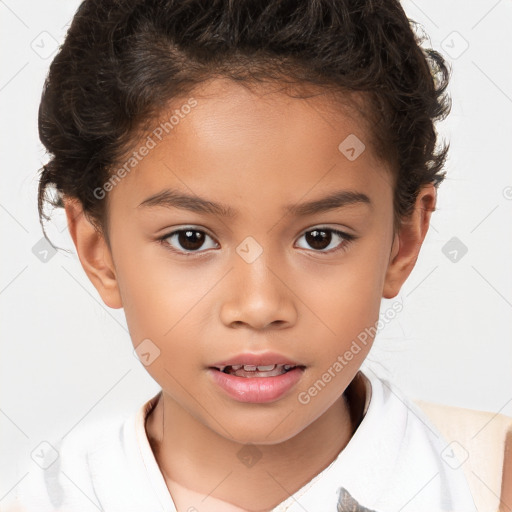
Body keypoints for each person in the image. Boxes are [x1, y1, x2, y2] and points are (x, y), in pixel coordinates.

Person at [12, 0, 479, 510]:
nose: (259, 306)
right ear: (98, 251)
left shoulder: (487, 482)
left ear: (403, 241)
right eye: (190, 239)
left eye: (321, 238)